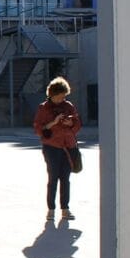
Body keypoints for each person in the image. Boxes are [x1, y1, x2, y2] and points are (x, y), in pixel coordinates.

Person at [33, 76, 82, 224]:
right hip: (51, 147)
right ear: (52, 95)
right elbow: (38, 128)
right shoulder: (43, 108)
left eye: (64, 96)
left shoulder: (69, 106)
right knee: (53, 178)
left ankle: (65, 209)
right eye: (59, 97)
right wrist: (53, 123)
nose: (62, 99)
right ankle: (51, 209)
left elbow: (78, 125)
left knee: (65, 179)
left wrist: (70, 123)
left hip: (68, 146)